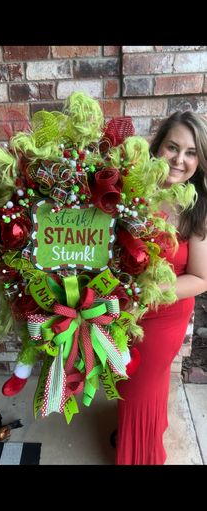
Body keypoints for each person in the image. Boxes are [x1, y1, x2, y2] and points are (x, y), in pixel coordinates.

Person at [115, 110, 207, 465]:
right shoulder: (134, 189)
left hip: (163, 315)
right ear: (157, 147)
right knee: (130, 385)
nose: (179, 160)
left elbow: (200, 279)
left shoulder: (196, 208)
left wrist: (147, 288)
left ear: (200, 160)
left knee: (142, 387)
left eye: (190, 152)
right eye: (173, 147)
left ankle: (142, 456)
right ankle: (139, 431)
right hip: (124, 309)